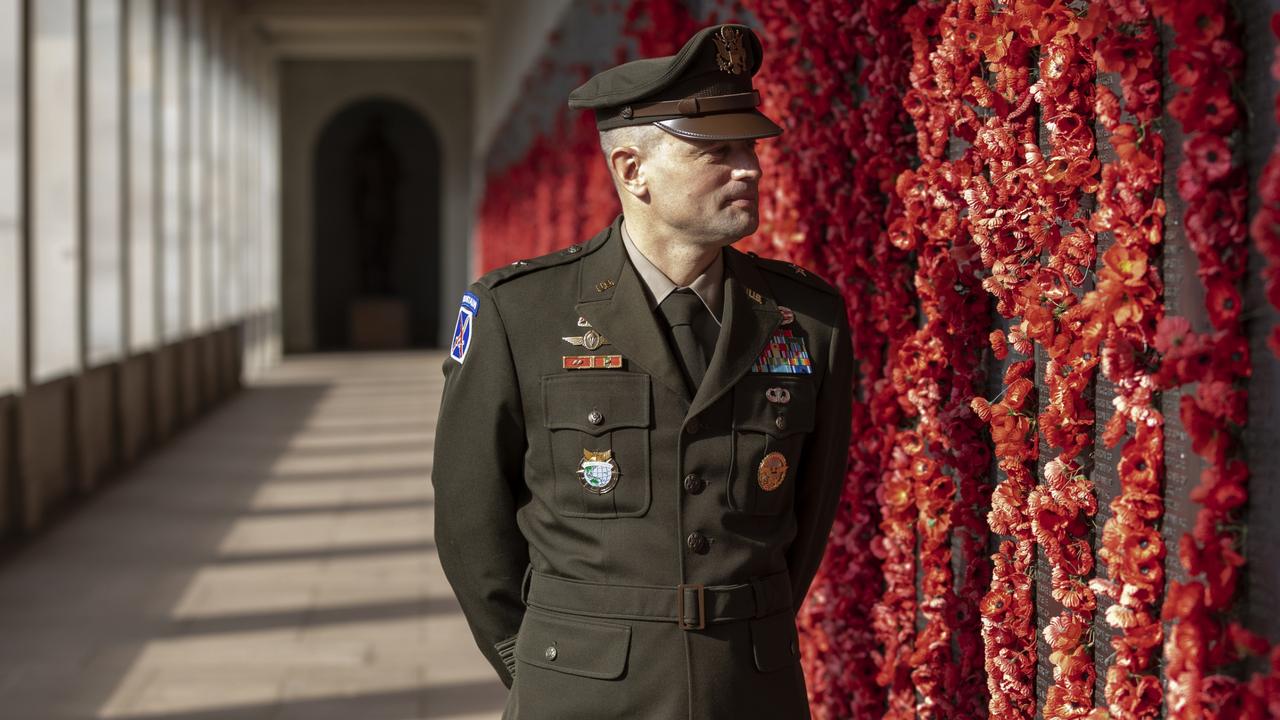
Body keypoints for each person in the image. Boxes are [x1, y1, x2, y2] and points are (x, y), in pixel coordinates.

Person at [431, 23, 853, 720]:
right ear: (633, 171)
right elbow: (470, 520)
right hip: (582, 691)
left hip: (748, 688)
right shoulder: (521, 313)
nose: (748, 168)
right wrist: (538, 662)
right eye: (718, 152)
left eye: (749, 148)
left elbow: (807, 520)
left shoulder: (805, 318)